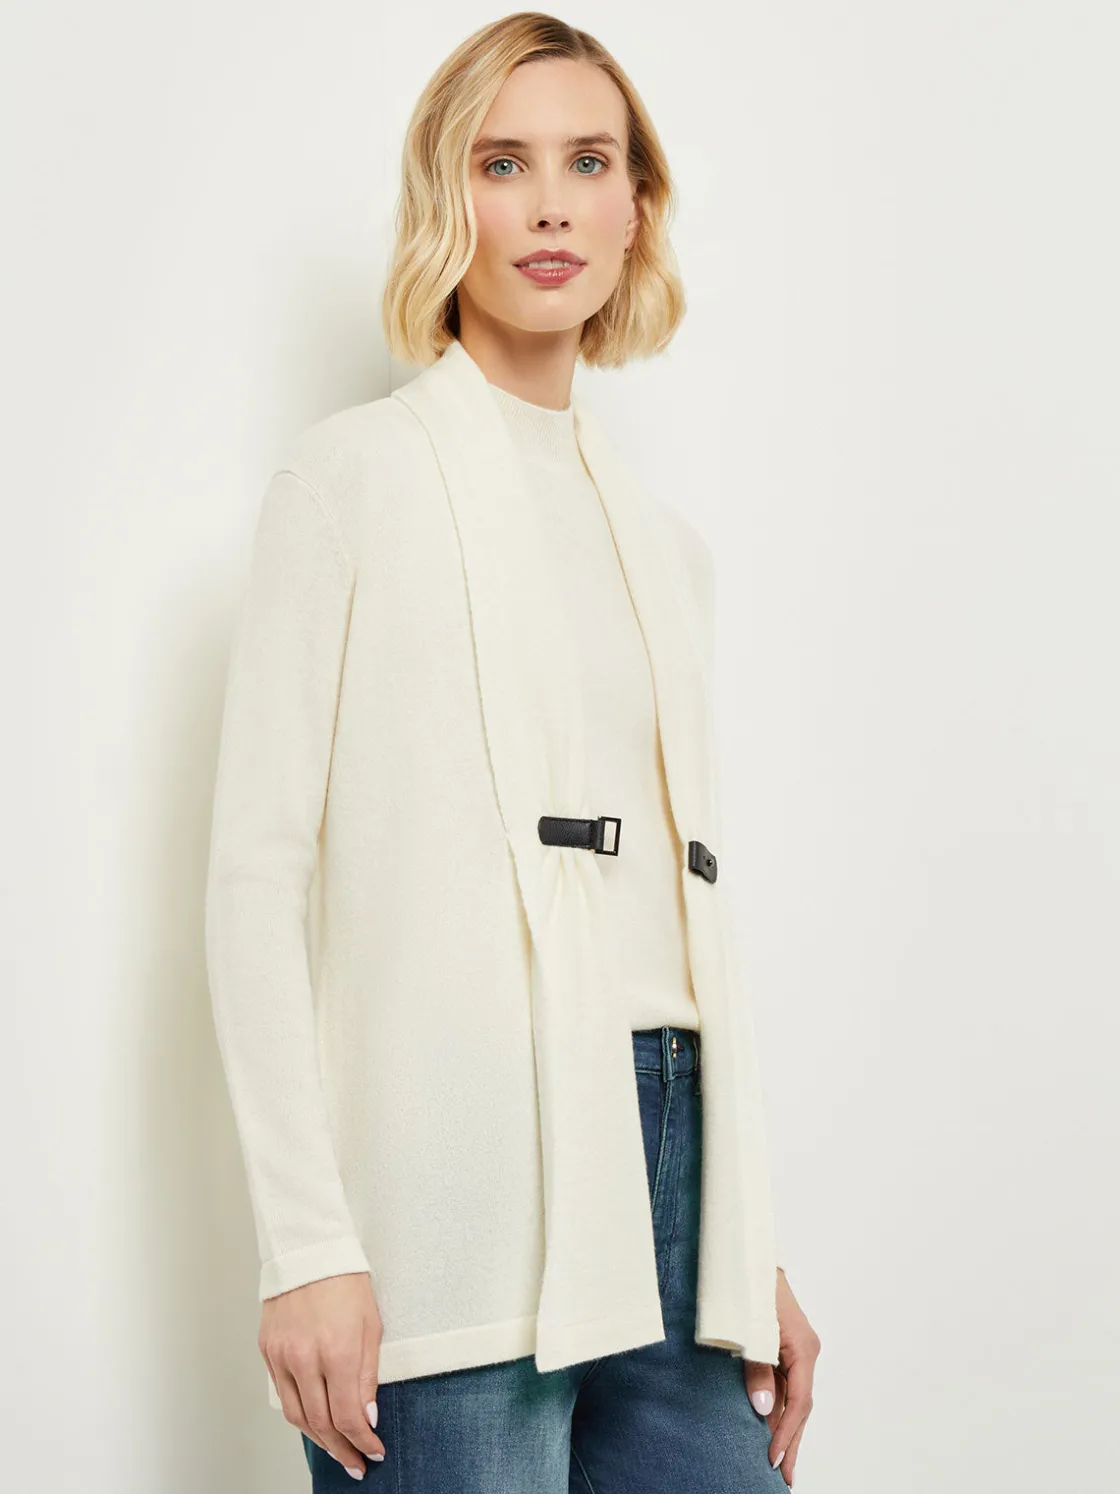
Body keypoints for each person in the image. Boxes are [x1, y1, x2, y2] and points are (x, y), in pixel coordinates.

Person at [204, 12, 820, 1491]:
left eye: (588, 163)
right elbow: (253, 879)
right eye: (504, 163)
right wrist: (306, 1246)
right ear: (448, 198)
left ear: (636, 208)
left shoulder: (669, 548)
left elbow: (670, 920)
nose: (550, 205)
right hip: (453, 1206)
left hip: (675, 1197)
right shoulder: (349, 480)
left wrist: (745, 1248)